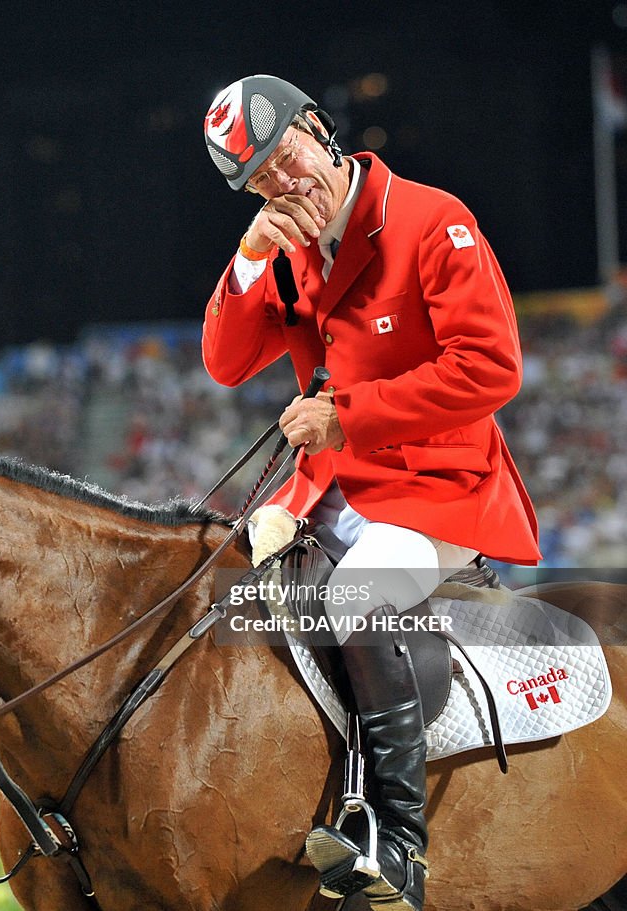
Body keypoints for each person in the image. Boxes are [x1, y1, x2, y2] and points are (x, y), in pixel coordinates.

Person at [201, 74, 541, 911]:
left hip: (438, 487)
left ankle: (399, 850)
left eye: (286, 159)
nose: (285, 186)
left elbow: (492, 369)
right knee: (220, 604)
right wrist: (250, 255)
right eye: (261, 182)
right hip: (326, 494)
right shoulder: (284, 246)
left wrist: (347, 416)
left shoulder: (434, 219)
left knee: (355, 601)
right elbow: (225, 362)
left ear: (319, 129)